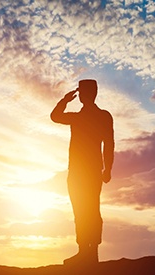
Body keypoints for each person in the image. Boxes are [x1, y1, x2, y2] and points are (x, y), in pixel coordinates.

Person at [50, 79, 114, 266]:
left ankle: (91, 251)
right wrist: (65, 100)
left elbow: (109, 143)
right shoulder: (79, 117)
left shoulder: (101, 116)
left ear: (91, 93)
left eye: (86, 91)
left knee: (90, 210)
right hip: (78, 172)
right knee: (81, 210)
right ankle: (84, 251)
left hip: (89, 172)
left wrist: (108, 168)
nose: (86, 95)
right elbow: (55, 117)